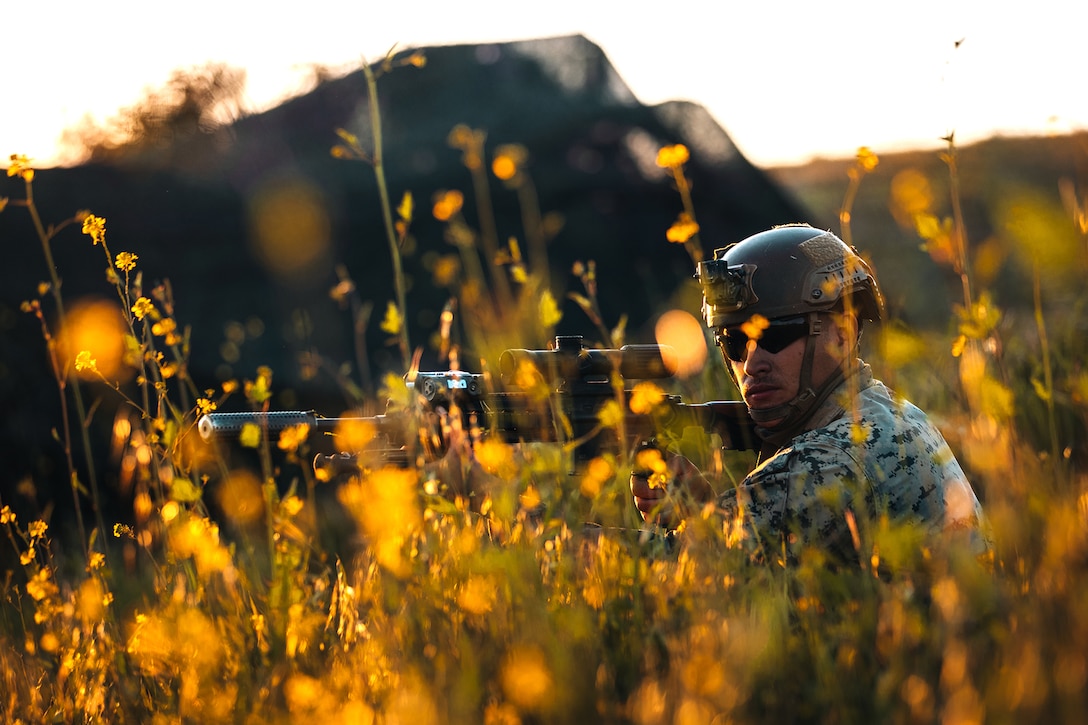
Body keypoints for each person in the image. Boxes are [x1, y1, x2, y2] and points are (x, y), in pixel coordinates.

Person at [630, 224, 988, 563]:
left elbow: (686, 564)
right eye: (734, 342)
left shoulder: (835, 458)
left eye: (775, 336)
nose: (751, 364)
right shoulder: (888, 411)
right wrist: (700, 510)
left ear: (842, 335)